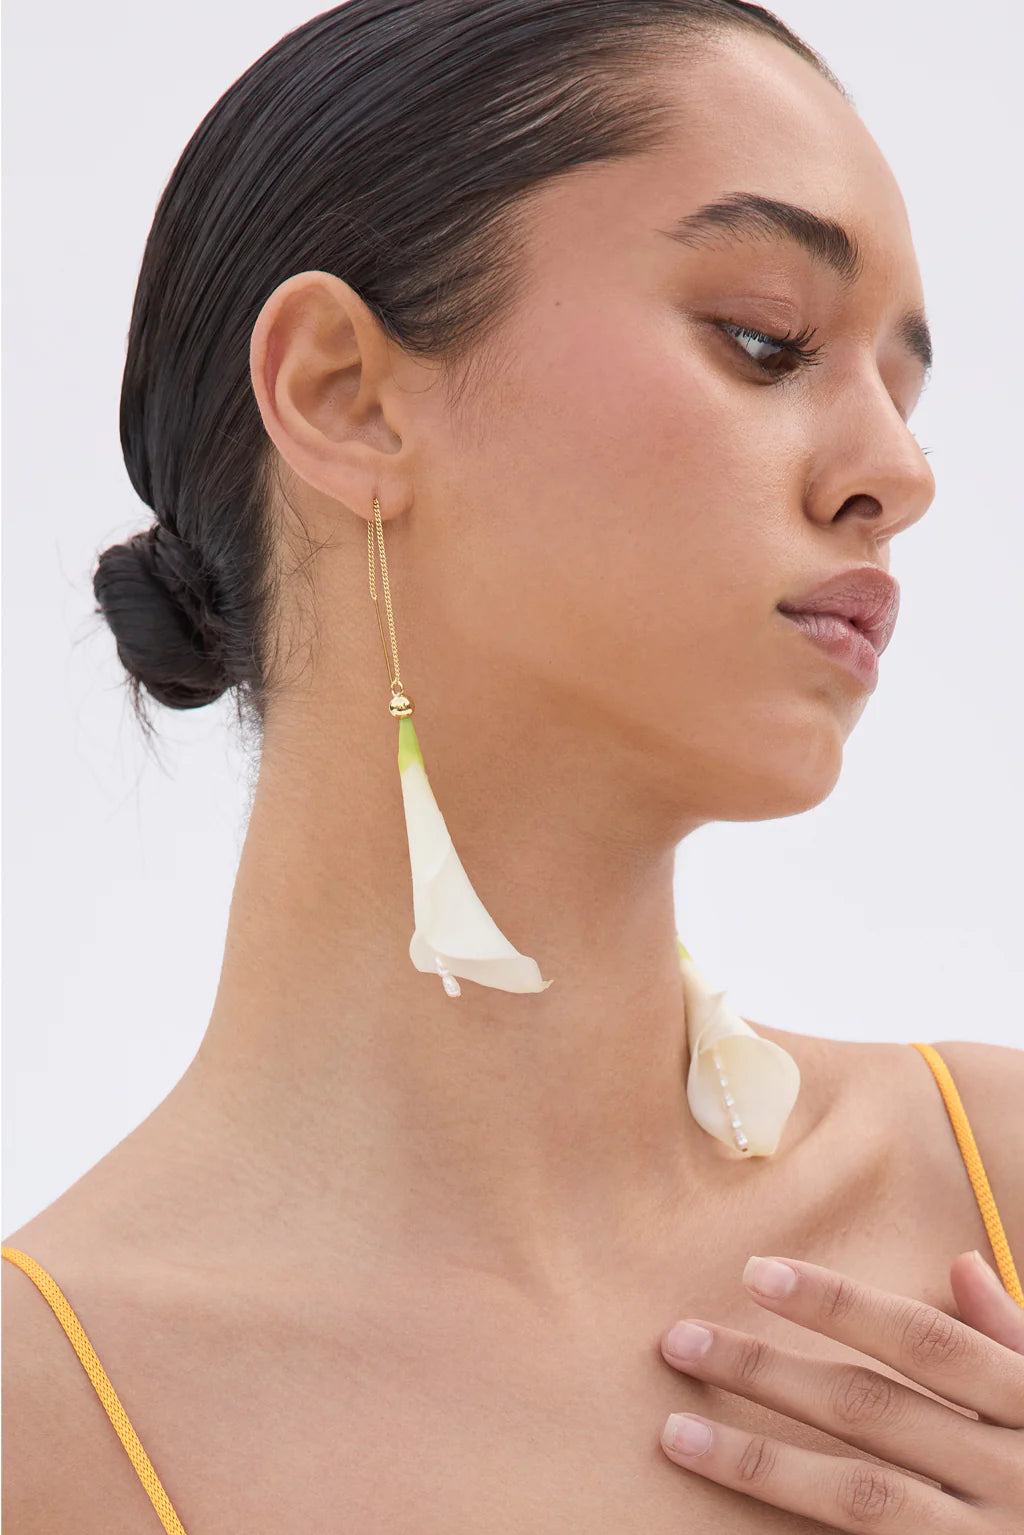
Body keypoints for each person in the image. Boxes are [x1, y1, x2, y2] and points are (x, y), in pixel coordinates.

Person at [3, 2, 1022, 1531]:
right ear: (345, 394)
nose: (901, 473)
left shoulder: (997, 1188)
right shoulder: (43, 1424)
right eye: (768, 341)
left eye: (903, 391)